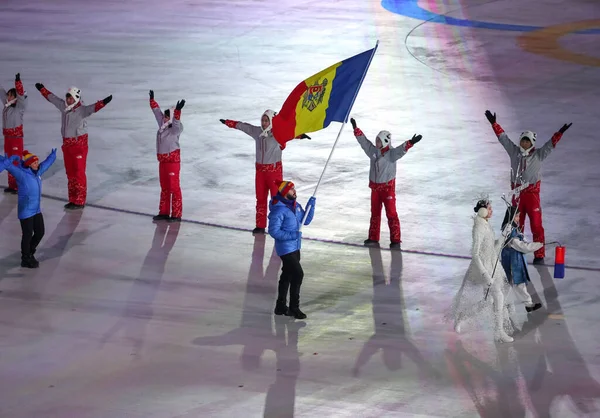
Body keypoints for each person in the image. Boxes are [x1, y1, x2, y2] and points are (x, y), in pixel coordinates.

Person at [484, 110, 572, 264]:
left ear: (532, 143)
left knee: (536, 225)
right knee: (516, 225)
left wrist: (560, 133)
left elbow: (550, 145)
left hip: (532, 196)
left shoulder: (538, 155)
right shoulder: (514, 152)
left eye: (527, 141)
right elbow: (504, 139)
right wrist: (494, 124)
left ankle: (539, 255)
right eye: (523, 140)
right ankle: (517, 253)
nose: (524, 143)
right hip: (517, 195)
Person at [220, 112, 309, 235]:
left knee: (277, 200)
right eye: (263, 120)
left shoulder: (278, 133)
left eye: (267, 120)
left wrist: (301, 135)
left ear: (271, 121)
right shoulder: (257, 132)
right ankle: (260, 226)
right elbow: (243, 126)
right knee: (260, 198)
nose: (264, 123)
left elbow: (291, 133)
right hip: (260, 172)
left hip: (274, 173)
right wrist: (228, 122)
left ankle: (280, 225)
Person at [35, 83, 112, 209]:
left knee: (79, 173)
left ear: (76, 98)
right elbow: (52, 98)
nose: (68, 100)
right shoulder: (63, 107)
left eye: (71, 98)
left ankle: (80, 201)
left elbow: (93, 108)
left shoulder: (82, 110)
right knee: (70, 173)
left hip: (79, 145)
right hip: (67, 145)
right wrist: (42, 89)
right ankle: (73, 199)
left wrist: (104, 102)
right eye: (67, 97)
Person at [350, 117, 422, 250]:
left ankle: (395, 239)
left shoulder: (391, 154)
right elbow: (365, 143)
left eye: (378, 140)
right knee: (375, 212)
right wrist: (356, 129)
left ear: (384, 141)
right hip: (375, 189)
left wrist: (410, 142)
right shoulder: (373, 152)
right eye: (376, 139)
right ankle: (373, 237)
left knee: (391, 213)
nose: (376, 142)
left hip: (387, 189)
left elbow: (401, 150)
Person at [451, 197, 514, 343]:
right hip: (484, 268)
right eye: (489, 208)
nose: (491, 211)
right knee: (498, 296)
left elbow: (493, 249)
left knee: (489, 301)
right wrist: (485, 275)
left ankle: (462, 316)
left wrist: (504, 236)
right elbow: (475, 253)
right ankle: (499, 332)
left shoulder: (486, 224)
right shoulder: (478, 227)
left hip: (493, 265)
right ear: (482, 210)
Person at [0, 148, 57, 268]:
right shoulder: (21, 174)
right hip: (26, 211)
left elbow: (46, 164)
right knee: (27, 234)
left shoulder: (38, 171)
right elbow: (7, 167)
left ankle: (30, 252)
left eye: (37, 161)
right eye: (34, 162)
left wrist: (52, 156)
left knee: (40, 232)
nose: (37, 163)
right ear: (29, 164)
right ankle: (25, 258)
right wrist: (7, 160)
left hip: (36, 210)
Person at [268, 181, 315, 319]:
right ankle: (294, 307)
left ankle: (280, 305)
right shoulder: (279, 210)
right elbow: (274, 231)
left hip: (296, 247)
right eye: (291, 190)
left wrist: (311, 205)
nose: (294, 191)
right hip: (285, 249)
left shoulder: (296, 206)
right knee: (298, 274)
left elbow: (306, 221)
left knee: (287, 275)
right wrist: (292, 235)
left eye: (294, 188)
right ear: (284, 193)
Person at [148, 90, 185, 222]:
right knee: (164, 188)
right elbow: (156, 112)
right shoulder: (162, 124)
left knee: (174, 188)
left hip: (172, 162)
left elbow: (176, 123)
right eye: (165, 115)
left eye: (167, 115)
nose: (164, 117)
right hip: (163, 161)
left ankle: (176, 214)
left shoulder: (176, 128)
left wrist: (177, 113)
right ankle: (163, 212)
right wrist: (152, 101)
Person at [501, 206, 543, 313]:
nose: (518, 218)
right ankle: (526, 304)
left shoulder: (515, 228)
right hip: (512, 261)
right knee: (515, 283)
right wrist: (537, 246)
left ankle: (502, 303)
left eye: (519, 216)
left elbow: (524, 241)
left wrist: (534, 244)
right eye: (516, 216)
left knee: (513, 283)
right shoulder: (509, 230)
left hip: (516, 260)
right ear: (511, 216)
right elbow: (521, 246)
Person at [1, 73, 27, 194]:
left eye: (10, 95)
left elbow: (21, 95)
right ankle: (12, 185)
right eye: (8, 95)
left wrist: (18, 83)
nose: (8, 97)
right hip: (8, 138)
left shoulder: (19, 107)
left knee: (16, 162)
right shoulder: (7, 106)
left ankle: (19, 185)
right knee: (9, 162)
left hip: (16, 139)